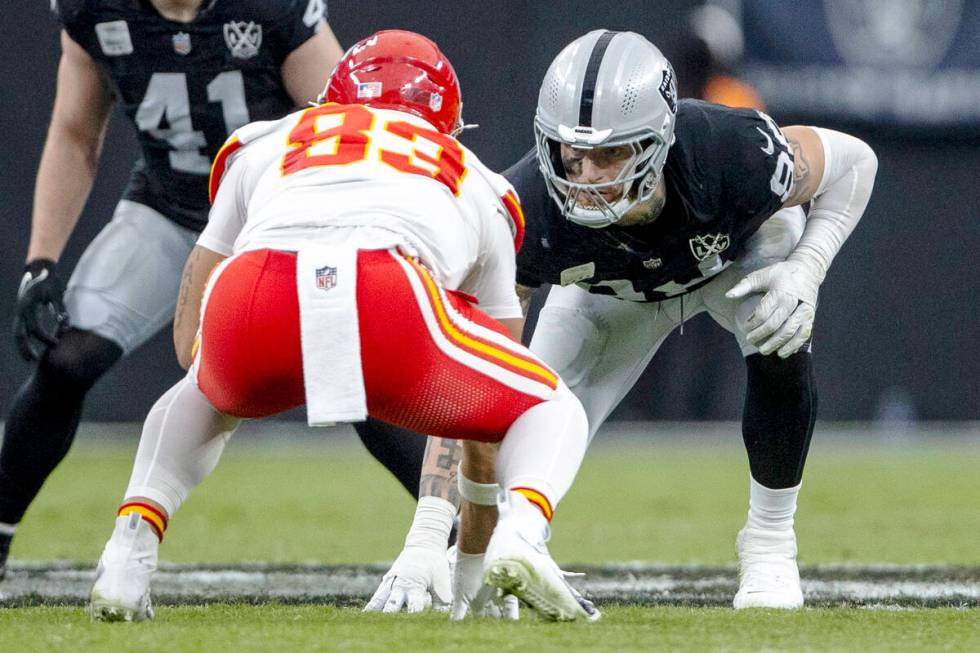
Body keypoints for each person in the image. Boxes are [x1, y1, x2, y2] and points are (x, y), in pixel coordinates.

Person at [86, 30, 598, 624]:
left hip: (252, 290)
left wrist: (238, 368)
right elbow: (484, 427)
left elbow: (187, 335)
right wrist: (473, 561)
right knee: (548, 406)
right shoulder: (479, 180)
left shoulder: (264, 141)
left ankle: (129, 551)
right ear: (445, 122)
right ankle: (525, 537)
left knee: (200, 387)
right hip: (387, 290)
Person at [369, 29, 877, 611]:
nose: (585, 176)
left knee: (779, 324)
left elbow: (855, 162)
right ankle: (520, 542)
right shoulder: (524, 209)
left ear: (659, 142)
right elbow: (472, 373)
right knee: (534, 410)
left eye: (610, 153)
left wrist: (807, 268)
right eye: (571, 153)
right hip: (610, 294)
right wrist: (429, 535)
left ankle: (768, 543)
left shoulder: (729, 150)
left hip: (734, 261)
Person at [0, 0, 345, 580]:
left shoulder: (270, 9)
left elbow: (346, 128)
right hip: (171, 209)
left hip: (271, 218)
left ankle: (450, 536)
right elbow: (74, 134)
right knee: (67, 359)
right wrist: (40, 259)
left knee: (350, 373)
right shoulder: (97, 10)